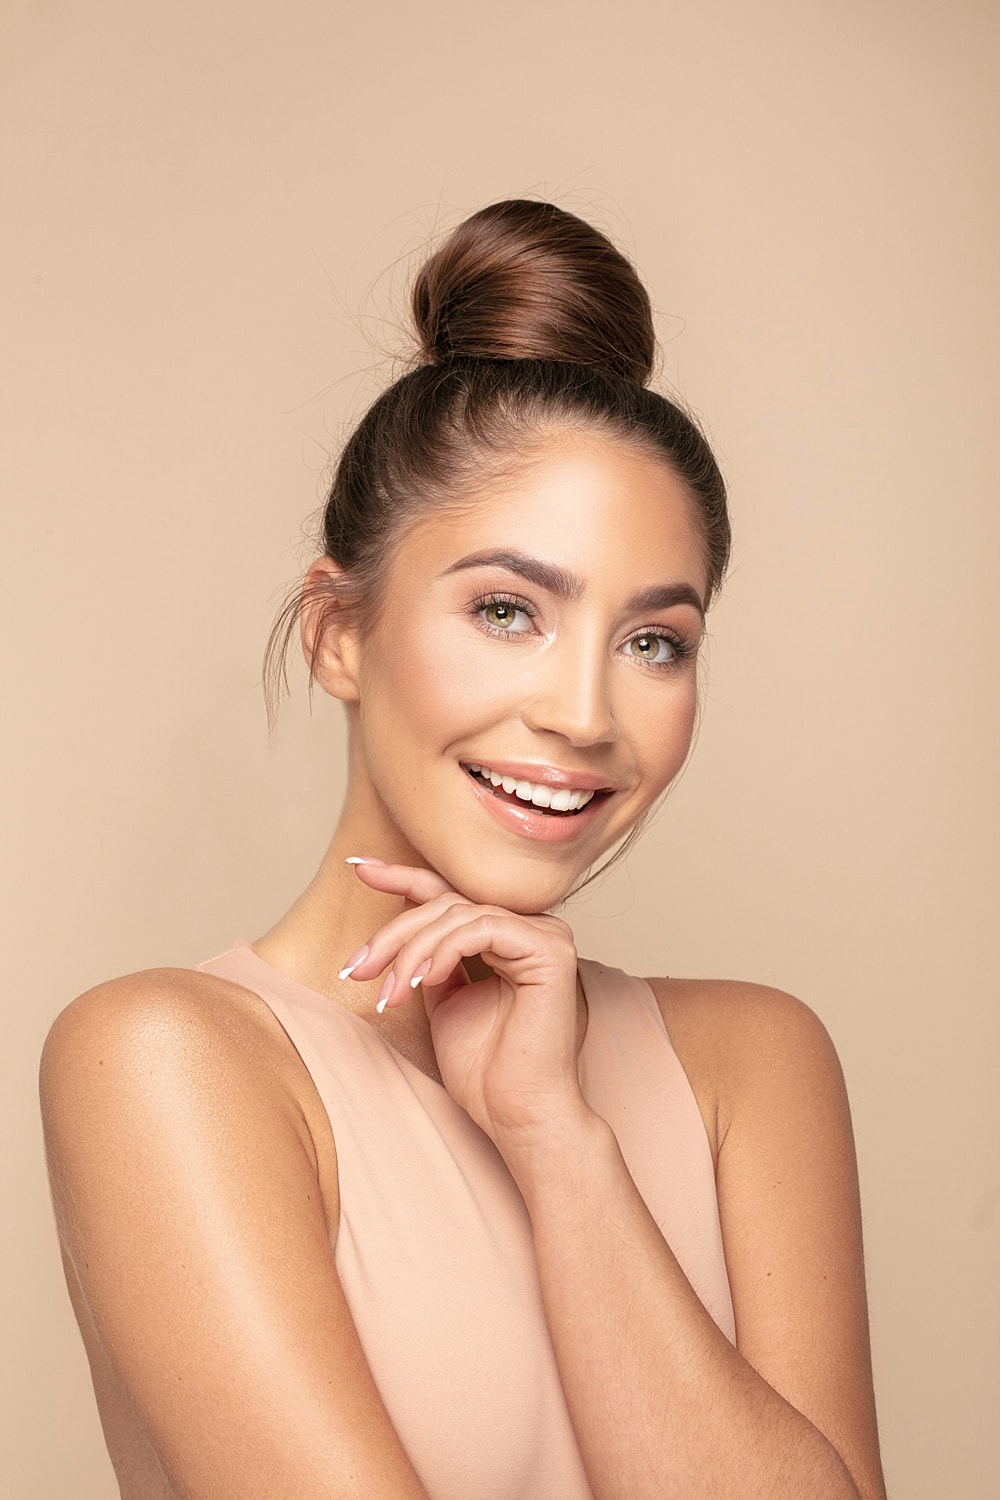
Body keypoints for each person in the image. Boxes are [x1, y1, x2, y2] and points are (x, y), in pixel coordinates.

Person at [40, 199, 886, 1500]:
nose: (587, 714)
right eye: (508, 610)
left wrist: (556, 1139)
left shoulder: (754, 1066)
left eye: (654, 640)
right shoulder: (167, 1061)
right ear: (338, 635)